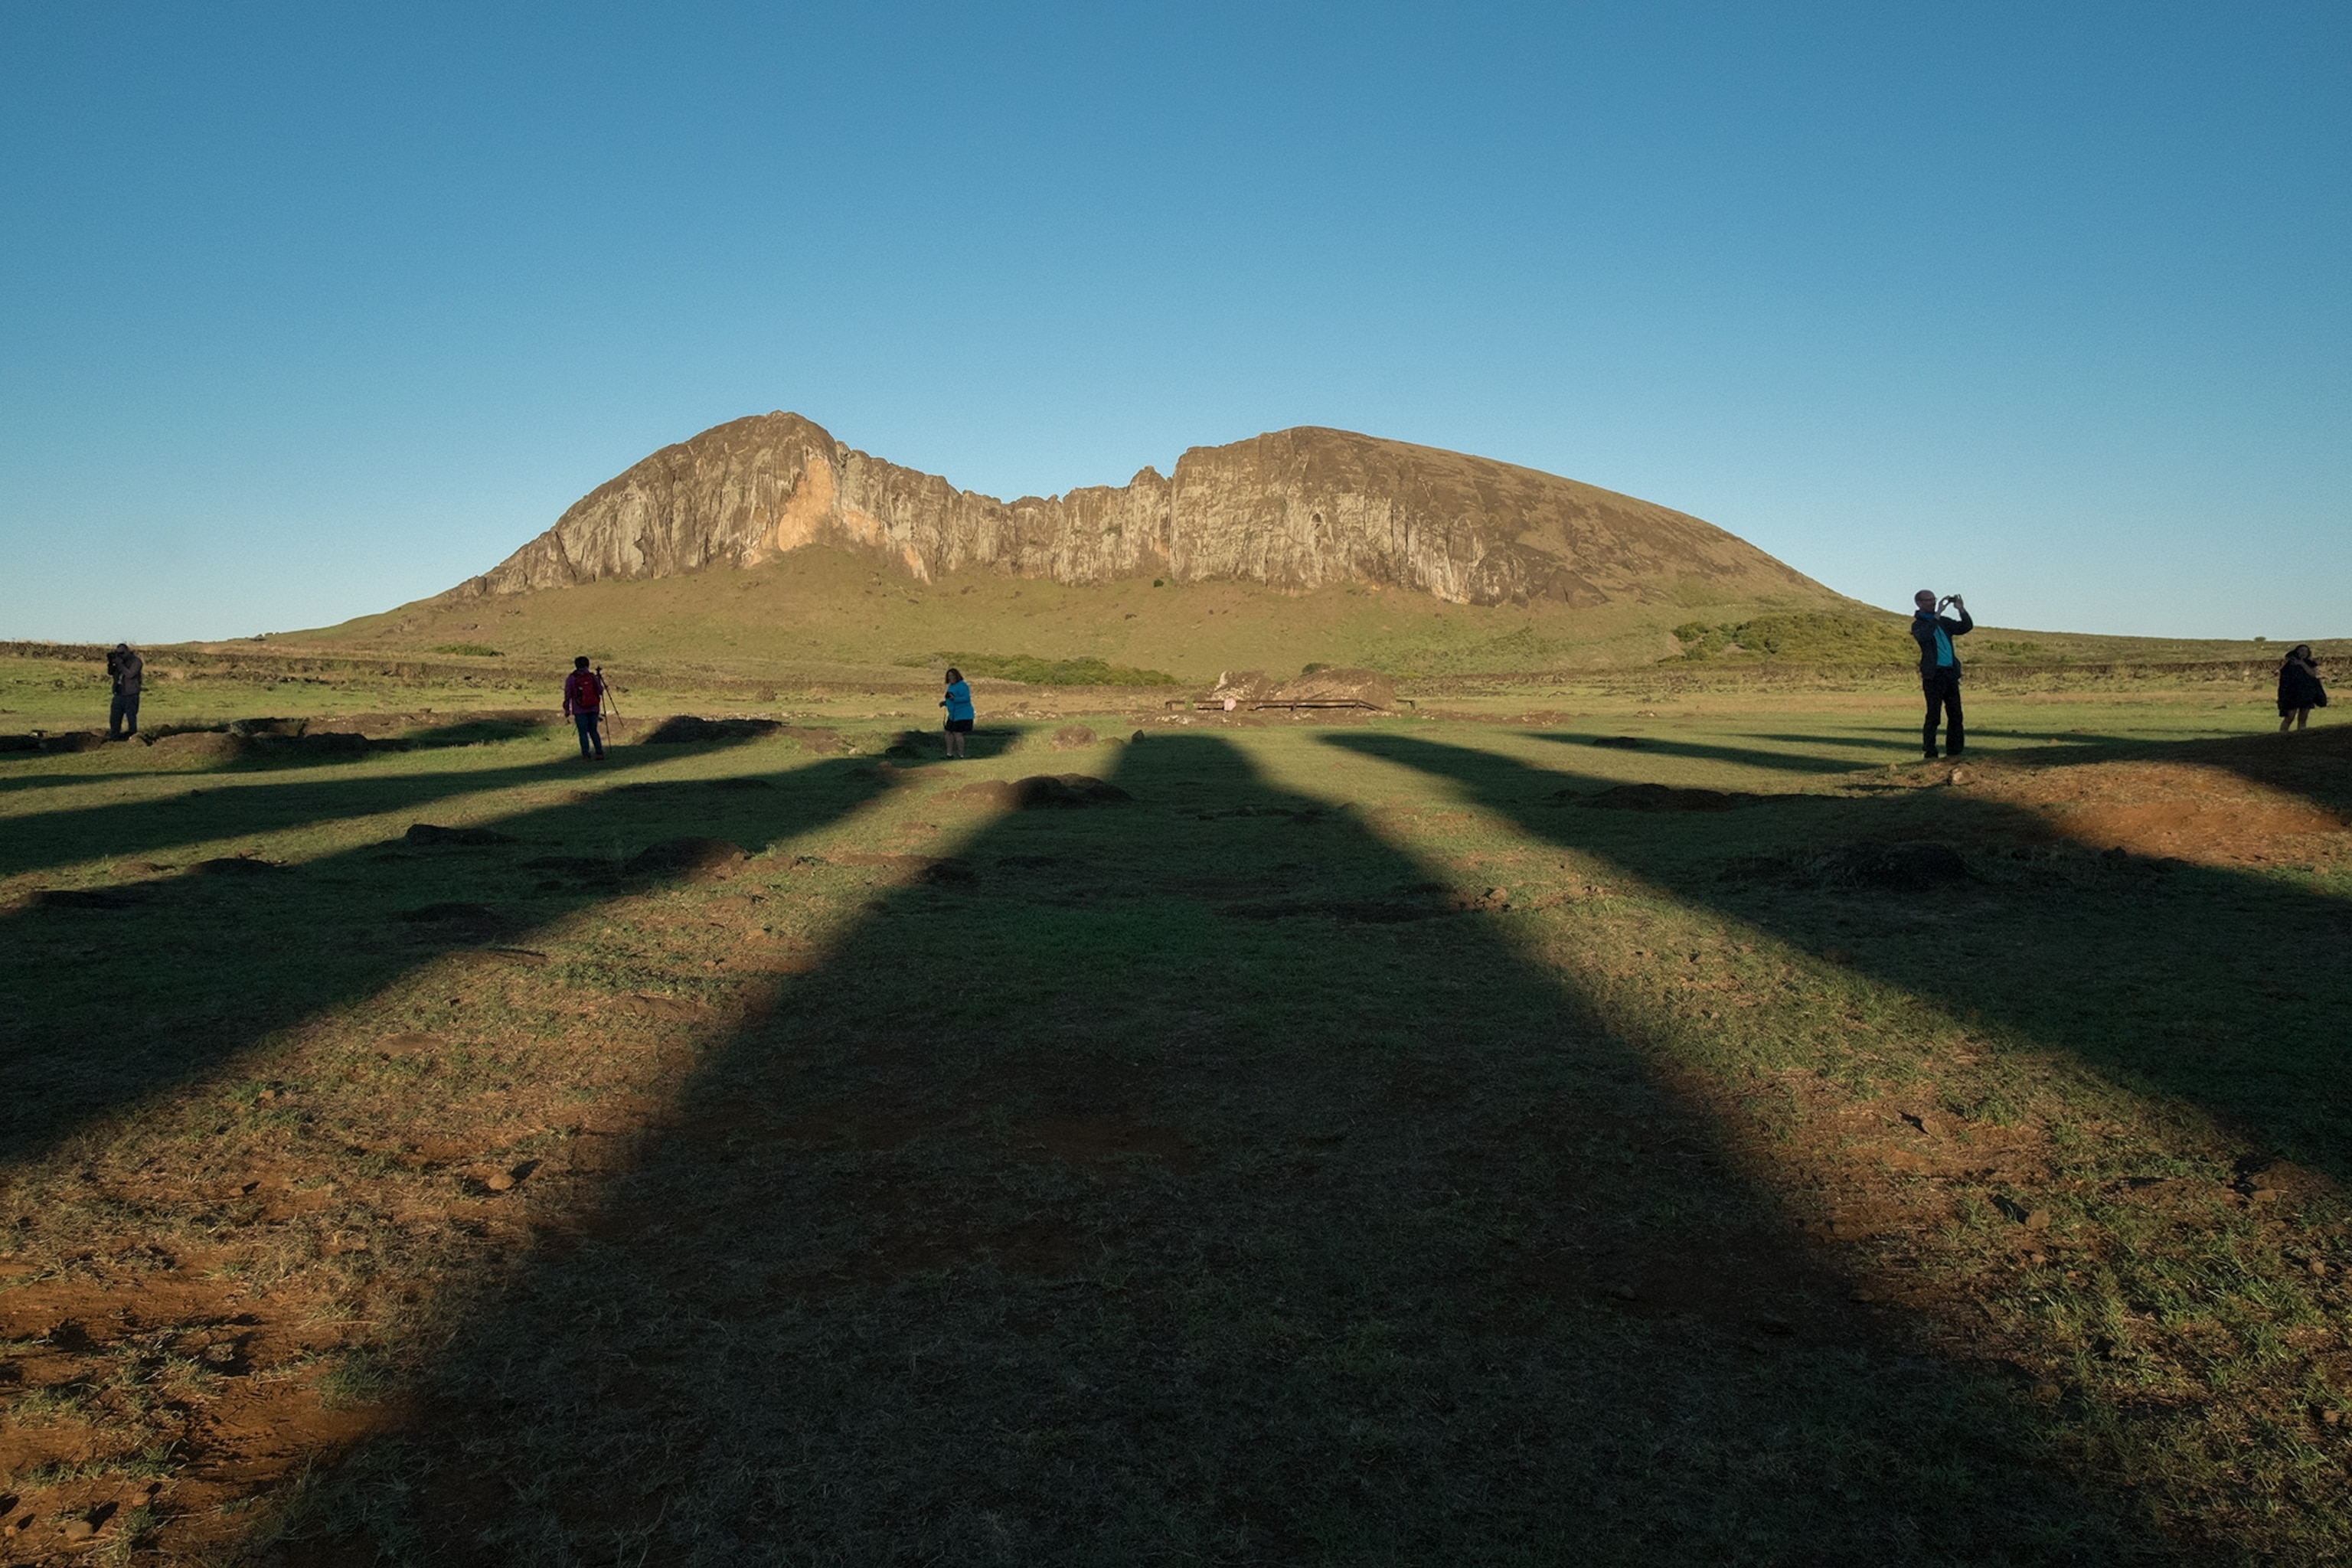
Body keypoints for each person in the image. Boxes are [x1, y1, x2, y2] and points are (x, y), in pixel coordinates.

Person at [1910, 590, 1973, 760]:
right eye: (1929, 600)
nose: (1932, 602)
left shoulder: (1944, 622)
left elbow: (1965, 627)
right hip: (1933, 675)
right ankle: (1930, 752)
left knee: (1956, 714)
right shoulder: (1918, 625)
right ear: (1919, 603)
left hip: (1950, 674)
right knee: (1934, 715)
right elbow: (1924, 636)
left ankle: (1955, 752)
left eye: (1934, 599)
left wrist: (1961, 609)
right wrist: (1937, 614)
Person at [561, 656, 608, 760]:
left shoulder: (571, 678)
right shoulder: (592, 677)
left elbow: (568, 694)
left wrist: (567, 709)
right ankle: (599, 753)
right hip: (593, 708)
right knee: (593, 731)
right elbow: (600, 691)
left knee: (583, 733)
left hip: (579, 709)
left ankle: (586, 755)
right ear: (588, 665)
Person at [2277, 644, 2327, 733]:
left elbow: (2313, 674)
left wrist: (2302, 664)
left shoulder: (2311, 664)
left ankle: (2301, 735)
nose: (2303, 653)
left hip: (2306, 692)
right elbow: (2284, 674)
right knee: (2289, 717)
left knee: (2303, 716)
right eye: (2301, 650)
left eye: (2306, 651)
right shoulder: (2290, 663)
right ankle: (2282, 735)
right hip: (2292, 692)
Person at [105, 642, 144, 740]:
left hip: (131, 694)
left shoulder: (136, 661)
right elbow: (110, 672)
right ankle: (114, 737)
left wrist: (120, 664)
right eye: (118, 653)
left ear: (128, 651)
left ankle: (133, 737)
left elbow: (130, 674)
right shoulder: (119, 661)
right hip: (119, 693)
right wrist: (111, 662)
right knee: (114, 718)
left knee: (131, 717)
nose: (120, 655)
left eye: (122, 653)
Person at [940, 666, 974, 758]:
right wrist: (945, 703)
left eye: (952, 676)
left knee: (958, 734)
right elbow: (950, 699)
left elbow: (967, 698)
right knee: (948, 732)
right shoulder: (951, 686)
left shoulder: (963, 685)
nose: (951, 678)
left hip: (963, 714)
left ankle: (961, 754)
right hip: (953, 715)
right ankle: (949, 754)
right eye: (949, 676)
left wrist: (954, 699)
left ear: (957, 676)